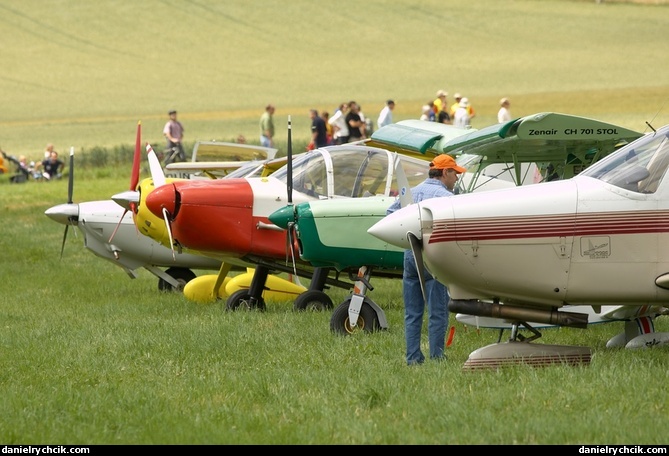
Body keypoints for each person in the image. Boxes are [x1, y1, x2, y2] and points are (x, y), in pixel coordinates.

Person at [386, 154, 466, 365]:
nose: (457, 178)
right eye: (455, 173)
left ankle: (413, 357)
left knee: (412, 312)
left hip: (410, 258)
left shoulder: (414, 191)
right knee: (437, 311)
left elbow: (390, 214)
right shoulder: (445, 197)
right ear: (445, 173)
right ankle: (437, 356)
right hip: (433, 260)